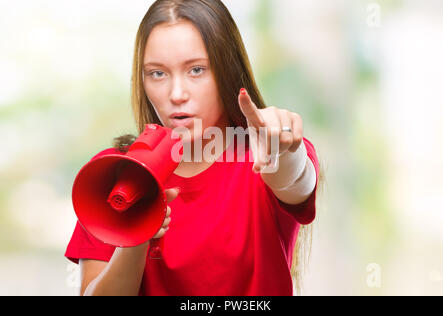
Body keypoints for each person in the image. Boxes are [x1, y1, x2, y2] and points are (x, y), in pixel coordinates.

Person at [65, 0, 321, 296]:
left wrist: (285, 153)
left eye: (196, 70)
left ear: (227, 71)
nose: (176, 94)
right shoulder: (114, 173)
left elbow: (296, 181)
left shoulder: (270, 152)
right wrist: (135, 234)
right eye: (157, 73)